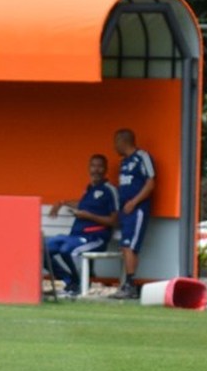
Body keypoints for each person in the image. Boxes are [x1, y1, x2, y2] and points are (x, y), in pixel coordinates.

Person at [44, 154, 119, 297]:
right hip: (76, 236)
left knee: (69, 250)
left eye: (100, 166)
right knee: (43, 249)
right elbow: (83, 205)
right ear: (88, 168)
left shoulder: (109, 190)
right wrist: (62, 202)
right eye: (93, 166)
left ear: (105, 169)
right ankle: (69, 280)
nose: (96, 170)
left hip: (95, 238)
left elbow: (114, 221)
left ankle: (79, 285)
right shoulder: (89, 189)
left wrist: (89, 216)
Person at [110, 128, 156, 300]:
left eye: (115, 142)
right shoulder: (124, 162)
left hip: (137, 210)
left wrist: (134, 202)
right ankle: (128, 283)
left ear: (123, 141)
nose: (114, 146)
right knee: (126, 246)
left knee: (129, 246)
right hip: (125, 210)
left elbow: (151, 183)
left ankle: (130, 284)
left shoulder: (142, 157)